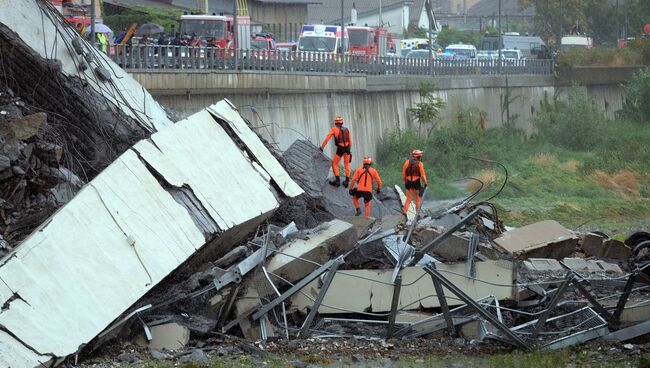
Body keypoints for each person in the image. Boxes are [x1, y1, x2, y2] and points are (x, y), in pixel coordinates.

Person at [320, 116, 352, 187]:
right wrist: (350, 150)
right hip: (347, 149)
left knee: (334, 163)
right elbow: (350, 141)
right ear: (342, 122)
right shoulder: (347, 129)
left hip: (340, 149)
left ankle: (337, 180)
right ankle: (347, 181)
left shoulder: (334, 129)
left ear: (336, 123)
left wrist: (322, 147)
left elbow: (327, 139)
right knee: (347, 164)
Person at [402, 149, 428, 216]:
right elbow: (422, 175)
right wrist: (425, 183)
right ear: (418, 156)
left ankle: (404, 212)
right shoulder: (420, 164)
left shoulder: (407, 162)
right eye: (420, 156)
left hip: (408, 182)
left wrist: (405, 181)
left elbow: (404, 174)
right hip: (416, 183)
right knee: (417, 199)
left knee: (408, 198)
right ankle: (418, 214)